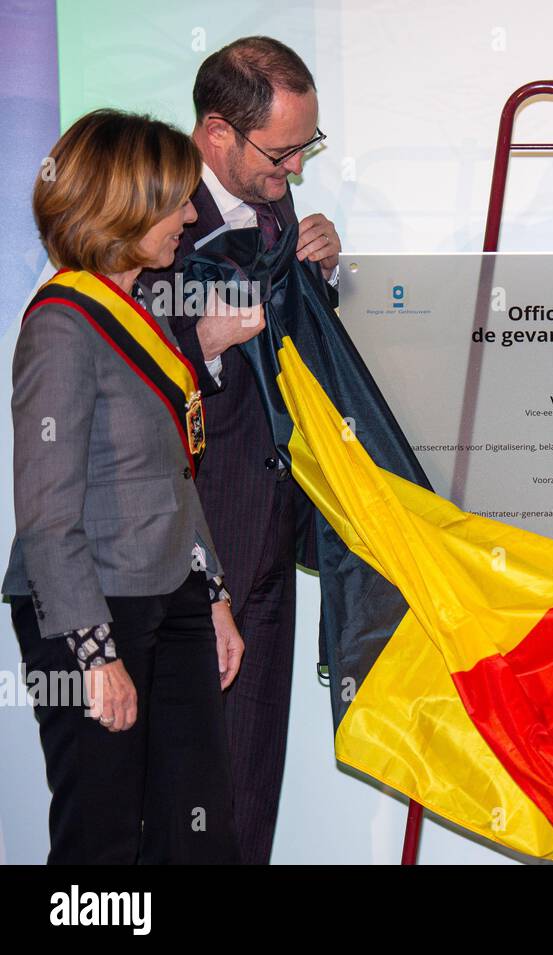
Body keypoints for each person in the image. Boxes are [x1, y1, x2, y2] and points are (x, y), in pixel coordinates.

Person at [3, 109, 255, 863]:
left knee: (196, 826)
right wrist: (94, 651)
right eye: (175, 199)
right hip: (91, 607)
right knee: (103, 838)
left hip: (169, 596)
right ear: (124, 202)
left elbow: (176, 475)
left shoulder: (138, 311)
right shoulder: (61, 323)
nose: (187, 214)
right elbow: (46, 511)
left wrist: (212, 598)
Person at [137, 35, 340, 865]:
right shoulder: (141, 200)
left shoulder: (278, 209)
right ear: (216, 132)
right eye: (283, 150)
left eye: (306, 148)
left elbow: (282, 361)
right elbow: (124, 344)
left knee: (249, 788)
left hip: (265, 540)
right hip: (177, 553)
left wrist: (318, 282)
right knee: (165, 794)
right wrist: (205, 339)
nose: (293, 170)